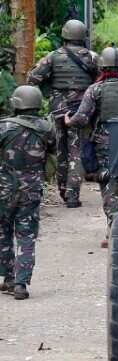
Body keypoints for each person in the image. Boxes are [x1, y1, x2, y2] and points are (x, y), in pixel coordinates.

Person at [68, 47, 118, 249]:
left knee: (108, 182)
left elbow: (81, 119)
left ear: (102, 66)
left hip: (104, 142)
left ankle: (115, 228)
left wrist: (68, 121)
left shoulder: (95, 90)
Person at [27, 19, 98, 208]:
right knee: (76, 150)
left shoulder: (52, 57)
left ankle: (63, 191)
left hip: (57, 108)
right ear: (82, 36)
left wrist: (49, 88)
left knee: (60, 150)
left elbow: (32, 78)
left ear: (64, 35)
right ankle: (73, 196)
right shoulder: (92, 57)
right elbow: (99, 81)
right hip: (82, 109)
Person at [0, 86, 56, 301]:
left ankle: (8, 278)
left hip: (4, 189)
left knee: (3, 232)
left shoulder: (4, 126)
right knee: (26, 235)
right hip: (31, 190)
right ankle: (21, 283)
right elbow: (53, 153)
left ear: (16, 103)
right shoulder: (46, 128)